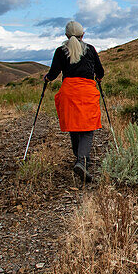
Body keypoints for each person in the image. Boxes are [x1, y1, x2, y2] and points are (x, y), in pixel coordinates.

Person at [45, 21, 105, 182]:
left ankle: (80, 159)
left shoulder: (60, 51)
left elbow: (53, 73)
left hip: (69, 92)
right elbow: (100, 71)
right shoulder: (90, 49)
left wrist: (47, 78)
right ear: (82, 35)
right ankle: (82, 161)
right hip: (86, 92)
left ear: (66, 35)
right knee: (87, 127)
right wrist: (98, 77)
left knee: (74, 124)